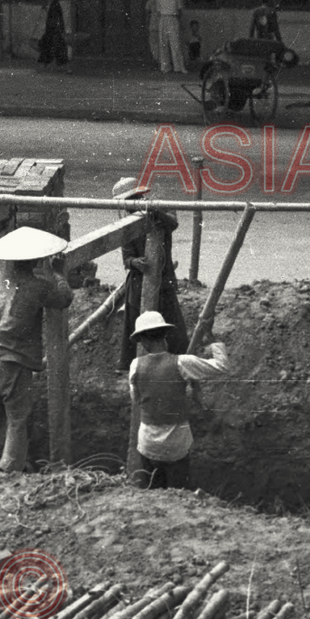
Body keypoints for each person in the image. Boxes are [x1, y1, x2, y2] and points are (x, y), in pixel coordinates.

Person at [0, 226, 74, 475]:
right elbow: (64, 298)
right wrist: (58, 274)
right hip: (13, 360)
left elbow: (12, 286)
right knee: (18, 418)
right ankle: (10, 471)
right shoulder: (39, 286)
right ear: (36, 260)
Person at [127, 311, 231, 490]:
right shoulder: (183, 363)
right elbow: (222, 366)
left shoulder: (135, 365)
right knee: (178, 494)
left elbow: (136, 398)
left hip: (148, 444)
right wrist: (209, 335)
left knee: (152, 493)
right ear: (164, 335)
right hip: (175, 446)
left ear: (143, 341)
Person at [113, 177, 188, 371]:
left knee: (171, 321)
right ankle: (135, 367)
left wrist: (154, 210)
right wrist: (135, 262)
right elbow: (127, 258)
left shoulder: (158, 213)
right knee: (138, 323)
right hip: (139, 282)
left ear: (138, 197)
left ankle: (175, 363)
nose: (129, 208)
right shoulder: (126, 224)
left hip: (163, 279)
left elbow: (172, 224)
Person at [152, 0, 187, 74]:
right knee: (163, 44)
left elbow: (180, 12)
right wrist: (163, 21)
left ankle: (179, 67)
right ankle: (165, 67)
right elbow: (158, 12)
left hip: (173, 19)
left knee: (175, 44)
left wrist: (176, 22)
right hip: (163, 19)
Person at [37, 0, 70, 72]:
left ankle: (63, 67)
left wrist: (61, 29)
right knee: (48, 47)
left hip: (54, 30)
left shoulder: (55, 5)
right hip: (51, 30)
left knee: (56, 48)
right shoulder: (49, 4)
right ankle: (46, 66)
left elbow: (58, 18)